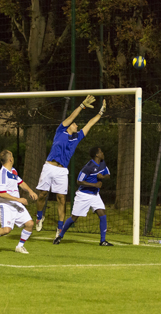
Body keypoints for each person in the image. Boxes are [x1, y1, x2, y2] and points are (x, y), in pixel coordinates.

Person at [35, 96, 106, 238]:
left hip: (61, 171)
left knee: (61, 198)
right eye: (74, 124)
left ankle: (60, 228)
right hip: (49, 167)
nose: (76, 126)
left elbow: (89, 124)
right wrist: (81, 106)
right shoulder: (60, 131)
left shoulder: (77, 137)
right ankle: (39, 216)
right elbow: (71, 116)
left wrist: (100, 113)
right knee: (42, 194)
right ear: (68, 126)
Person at [0, 150, 38, 254]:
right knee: (6, 230)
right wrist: (19, 199)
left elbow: (21, 183)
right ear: (10, 159)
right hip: (5, 204)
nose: (13, 158)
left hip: (15, 203)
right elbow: (2, 193)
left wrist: (30, 191)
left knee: (30, 224)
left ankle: (19, 246)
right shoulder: (2, 174)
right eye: (12, 156)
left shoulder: (13, 171)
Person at [53, 146, 113, 246]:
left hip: (95, 195)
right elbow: (79, 181)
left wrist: (102, 177)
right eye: (101, 151)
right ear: (97, 155)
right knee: (74, 218)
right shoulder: (88, 167)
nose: (103, 153)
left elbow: (108, 175)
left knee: (102, 214)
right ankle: (60, 236)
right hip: (83, 195)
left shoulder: (102, 163)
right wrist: (95, 185)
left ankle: (103, 241)